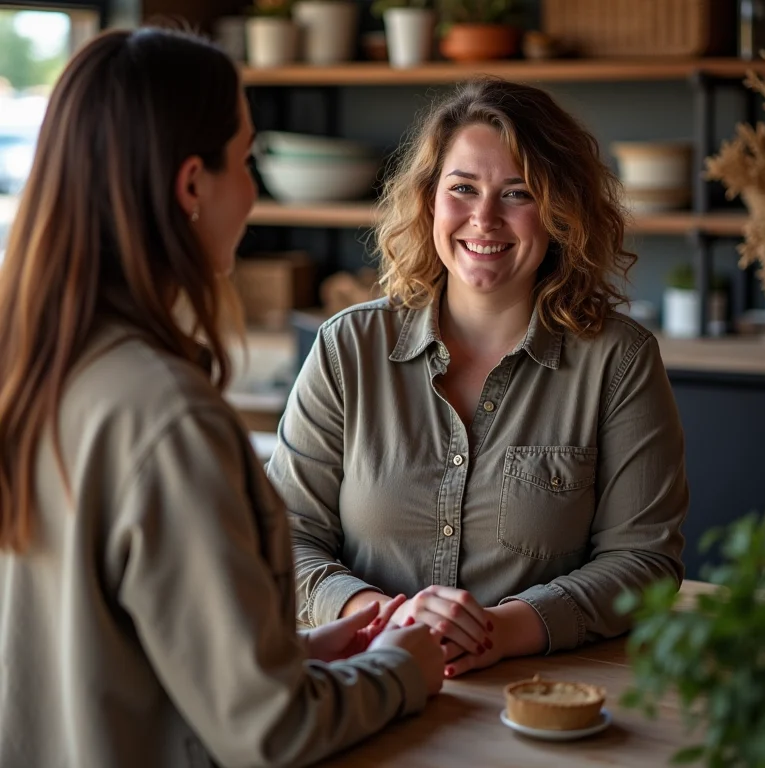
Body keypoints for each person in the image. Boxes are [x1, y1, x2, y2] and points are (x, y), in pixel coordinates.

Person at [0, 28, 445, 768]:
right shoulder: (165, 417)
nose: (253, 189)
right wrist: (403, 669)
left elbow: (106, 654)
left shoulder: (33, 369)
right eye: (244, 161)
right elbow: (269, 733)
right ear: (190, 186)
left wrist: (297, 654)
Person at [266, 77, 689, 678]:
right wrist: (387, 620)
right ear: (429, 200)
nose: (484, 219)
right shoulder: (348, 348)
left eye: (517, 193)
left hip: (539, 694)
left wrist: (501, 631)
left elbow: (643, 561)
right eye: (462, 188)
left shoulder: (619, 363)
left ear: (560, 210)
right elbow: (284, 536)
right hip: (364, 680)